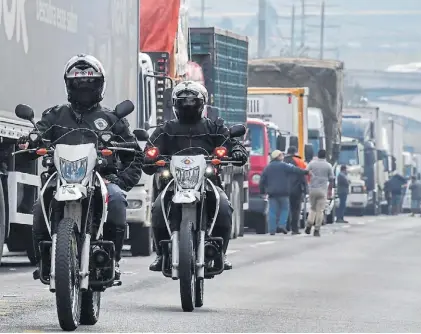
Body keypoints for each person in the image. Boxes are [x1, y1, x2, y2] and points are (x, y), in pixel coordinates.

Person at [17, 54, 143, 280]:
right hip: (61, 179)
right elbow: (36, 137)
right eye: (77, 83)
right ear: (68, 85)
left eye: (90, 82)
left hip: (100, 180)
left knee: (115, 199)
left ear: (100, 85)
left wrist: (120, 180)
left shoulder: (112, 118)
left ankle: (112, 261)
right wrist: (29, 141)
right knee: (39, 205)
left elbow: (135, 154)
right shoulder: (54, 115)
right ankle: (44, 260)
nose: (84, 88)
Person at [144, 81, 248, 272]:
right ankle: (161, 253)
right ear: (175, 105)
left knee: (224, 206)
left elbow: (231, 142)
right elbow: (150, 150)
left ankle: (221, 254)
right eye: (183, 102)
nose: (188, 105)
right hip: (172, 182)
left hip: (207, 181)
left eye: (193, 101)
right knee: (158, 208)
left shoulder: (214, 127)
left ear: (202, 103)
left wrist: (238, 151)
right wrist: (149, 157)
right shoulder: (166, 129)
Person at [259, 150, 309, 236]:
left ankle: (272, 230)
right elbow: (295, 170)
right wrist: (306, 172)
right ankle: (281, 225)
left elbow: (262, 180)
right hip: (284, 192)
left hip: (272, 193)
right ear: (278, 157)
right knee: (285, 209)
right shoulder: (284, 166)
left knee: (272, 211)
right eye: (281, 155)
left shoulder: (268, 167)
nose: (283, 156)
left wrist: (262, 191)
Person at [305, 149, 334, 237]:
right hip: (322, 190)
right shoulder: (328, 165)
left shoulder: (312, 163)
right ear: (325, 156)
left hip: (312, 189)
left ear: (317, 155)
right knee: (320, 211)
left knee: (312, 209)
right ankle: (317, 229)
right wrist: (329, 190)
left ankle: (309, 224)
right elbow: (331, 178)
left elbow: (306, 172)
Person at [283, 146, 307, 235]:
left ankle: (285, 227)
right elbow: (303, 175)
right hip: (297, 189)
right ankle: (295, 229)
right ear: (295, 152)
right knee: (296, 210)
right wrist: (305, 189)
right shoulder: (300, 162)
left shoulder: (283, 161)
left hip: (284, 188)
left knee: (286, 208)